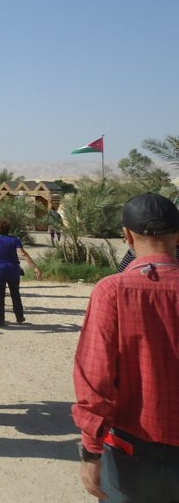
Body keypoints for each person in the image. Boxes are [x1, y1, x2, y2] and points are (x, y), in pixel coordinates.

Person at [73, 193, 179, 501]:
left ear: (127, 235)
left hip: (133, 452)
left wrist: (91, 453)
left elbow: (96, 380)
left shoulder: (112, 292)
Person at [0, 219, 42, 327]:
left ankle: (0, 320)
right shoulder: (15, 239)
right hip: (13, 270)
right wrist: (35, 267)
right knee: (15, 294)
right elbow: (23, 254)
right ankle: (19, 317)